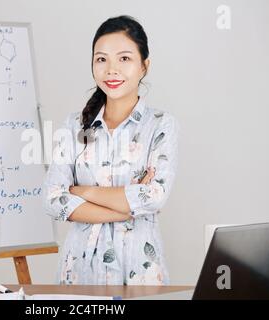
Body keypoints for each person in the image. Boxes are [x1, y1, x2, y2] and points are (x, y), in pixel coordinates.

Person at [43, 15, 179, 285]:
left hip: (139, 271)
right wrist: (126, 207)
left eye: (125, 59)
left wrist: (82, 192)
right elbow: (52, 200)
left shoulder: (161, 125)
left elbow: (153, 196)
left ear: (144, 66)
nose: (111, 70)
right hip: (79, 273)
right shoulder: (74, 125)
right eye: (102, 59)